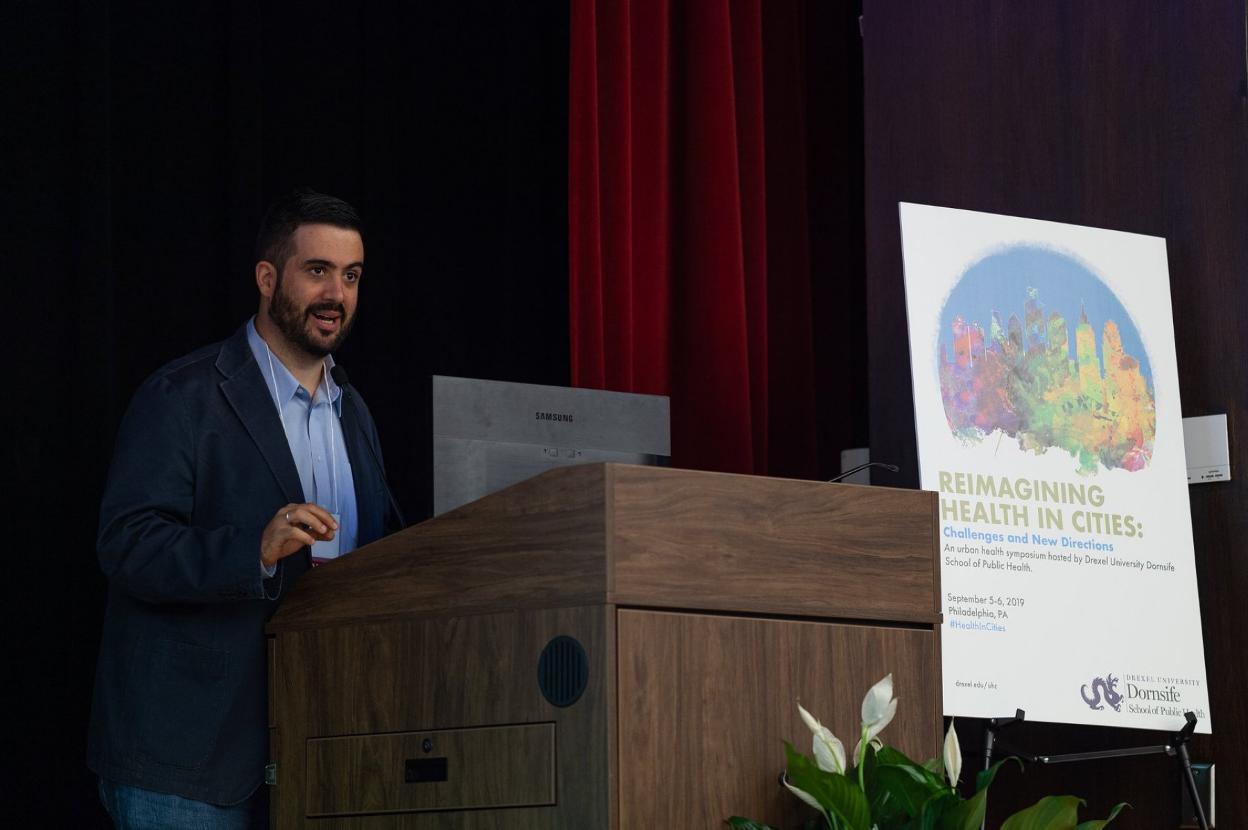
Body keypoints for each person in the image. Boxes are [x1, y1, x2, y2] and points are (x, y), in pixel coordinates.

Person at [87, 188, 402, 828]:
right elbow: (127, 544)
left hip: (317, 750)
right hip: (188, 759)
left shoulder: (354, 412)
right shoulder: (182, 395)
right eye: (317, 271)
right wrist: (252, 551)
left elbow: (382, 551)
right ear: (267, 277)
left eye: (351, 276)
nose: (336, 294)